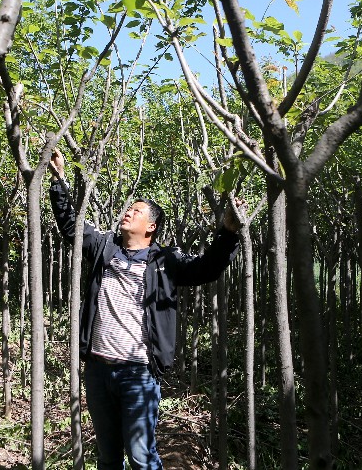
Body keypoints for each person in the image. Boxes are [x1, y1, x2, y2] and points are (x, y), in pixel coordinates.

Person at [48, 148, 241, 470]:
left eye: (136, 211)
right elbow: (72, 227)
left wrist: (228, 233)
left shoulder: (166, 261)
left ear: (150, 227)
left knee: (141, 456)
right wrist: (60, 182)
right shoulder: (103, 247)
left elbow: (208, 268)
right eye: (128, 209)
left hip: (137, 372)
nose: (127, 213)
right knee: (108, 457)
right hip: (98, 369)